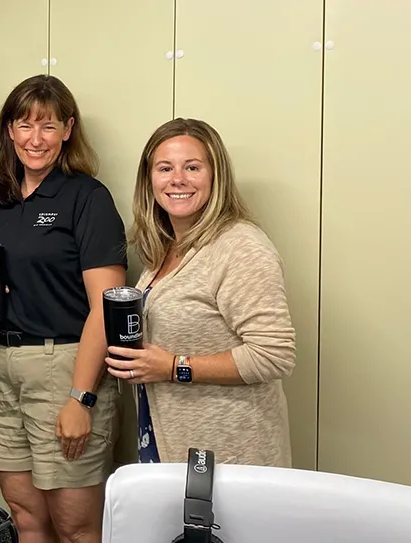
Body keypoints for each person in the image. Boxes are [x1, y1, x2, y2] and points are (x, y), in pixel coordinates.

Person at [0, 74, 128, 543]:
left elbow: (106, 306)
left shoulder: (87, 198)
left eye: (48, 127)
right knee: (26, 516)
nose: (36, 139)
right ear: (9, 131)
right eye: (25, 126)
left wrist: (82, 397)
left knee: (75, 527)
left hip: (64, 368)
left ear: (68, 130)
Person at [105, 117, 295, 467]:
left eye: (192, 167)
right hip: (174, 445)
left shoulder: (240, 247)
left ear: (215, 176)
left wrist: (174, 367)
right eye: (165, 168)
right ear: (149, 180)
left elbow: (274, 354)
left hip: (231, 455)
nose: (177, 179)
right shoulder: (166, 249)